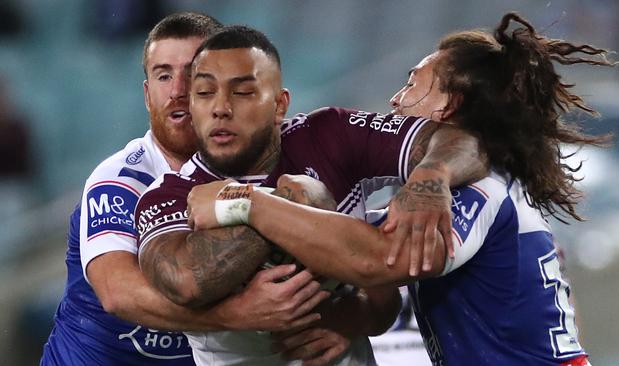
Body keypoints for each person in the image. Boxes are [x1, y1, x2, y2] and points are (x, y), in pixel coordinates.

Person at [187, 12, 616, 365]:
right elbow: (345, 235)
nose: (396, 100)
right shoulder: (483, 183)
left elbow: (378, 259)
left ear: (450, 106)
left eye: (413, 83)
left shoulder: (479, 189)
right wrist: (350, 316)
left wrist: (246, 203)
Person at [134, 25, 487, 365]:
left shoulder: (328, 135)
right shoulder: (170, 194)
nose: (221, 108)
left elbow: (463, 142)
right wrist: (295, 203)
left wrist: (432, 175)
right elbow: (185, 282)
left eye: (242, 92)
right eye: (205, 92)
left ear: (279, 105)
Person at [41, 13, 327, 366]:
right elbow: (117, 293)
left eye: (192, 73)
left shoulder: (273, 171)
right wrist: (237, 314)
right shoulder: (120, 180)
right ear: (147, 95)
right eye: (163, 75)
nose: (177, 91)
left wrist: (344, 320)